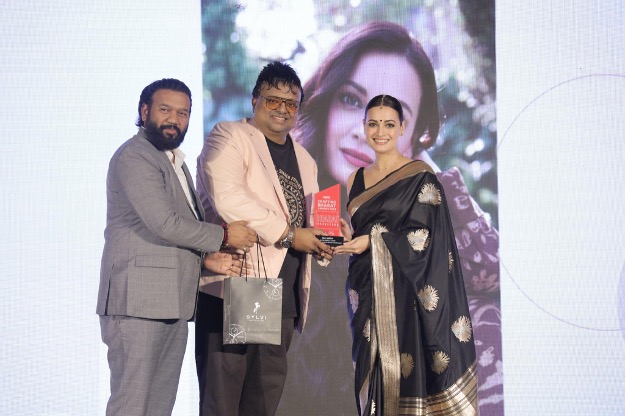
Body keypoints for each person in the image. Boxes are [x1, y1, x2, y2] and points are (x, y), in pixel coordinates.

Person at [289, 21, 502, 415]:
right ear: (326, 101)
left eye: (392, 118)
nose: (366, 131)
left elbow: (492, 271)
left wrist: (421, 170)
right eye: (351, 100)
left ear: (418, 134)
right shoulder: (281, 202)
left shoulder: (421, 217)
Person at [96, 78, 257, 416]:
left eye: (183, 113)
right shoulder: (134, 156)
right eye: (165, 110)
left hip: (173, 302)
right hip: (137, 304)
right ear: (144, 111)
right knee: (132, 405)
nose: (174, 119)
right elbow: (164, 223)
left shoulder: (175, 161)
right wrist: (224, 235)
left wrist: (205, 260)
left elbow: (167, 234)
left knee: (158, 407)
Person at [195, 61, 333, 416]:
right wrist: (290, 235)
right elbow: (229, 200)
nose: (282, 109)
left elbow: (312, 217)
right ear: (254, 99)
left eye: (291, 103)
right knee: (223, 400)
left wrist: (331, 235)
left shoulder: (305, 158)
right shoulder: (230, 136)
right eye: (273, 100)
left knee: (263, 401)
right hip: (242, 282)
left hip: (284, 293)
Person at [333, 94, 478, 415]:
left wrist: (373, 241)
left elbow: (429, 238)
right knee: (374, 382)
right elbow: (364, 232)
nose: (380, 132)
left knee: (410, 378)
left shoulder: (420, 176)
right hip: (369, 292)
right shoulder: (355, 178)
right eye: (373, 124)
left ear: (402, 128)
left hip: (411, 298)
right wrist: (350, 236)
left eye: (389, 124)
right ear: (364, 127)